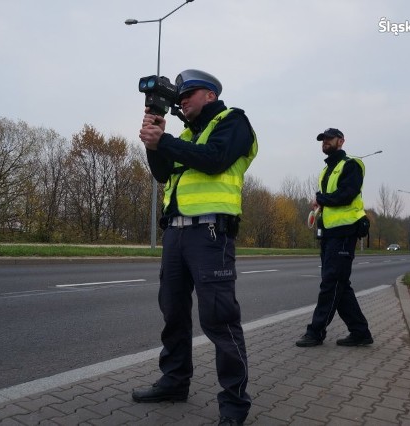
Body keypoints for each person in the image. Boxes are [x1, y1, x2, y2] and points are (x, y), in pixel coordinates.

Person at [131, 69, 258, 426]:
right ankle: (174, 380)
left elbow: (216, 159)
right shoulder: (186, 135)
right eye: (180, 96)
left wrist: (166, 141)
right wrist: (153, 143)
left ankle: (234, 406)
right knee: (172, 311)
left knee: (219, 318)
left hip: (210, 233)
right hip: (175, 231)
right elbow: (162, 174)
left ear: (211, 96)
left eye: (190, 94)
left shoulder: (234, 121)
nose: (182, 100)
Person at [295, 128, 374, 348]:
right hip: (330, 233)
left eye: (329, 139)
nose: (325, 142)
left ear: (341, 141)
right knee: (340, 284)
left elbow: (347, 194)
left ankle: (315, 332)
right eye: (323, 140)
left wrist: (322, 198)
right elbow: (331, 199)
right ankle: (360, 332)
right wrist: (319, 206)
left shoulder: (351, 164)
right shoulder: (325, 171)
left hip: (345, 232)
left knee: (331, 284)